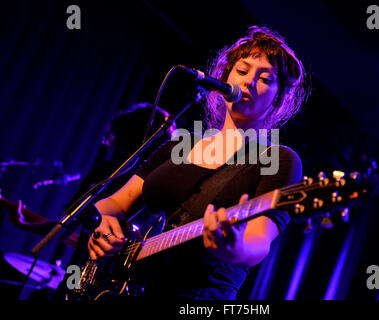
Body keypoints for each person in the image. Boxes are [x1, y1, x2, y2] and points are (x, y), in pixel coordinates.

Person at [87, 25, 310, 300]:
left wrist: (233, 248)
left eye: (265, 78)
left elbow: (258, 242)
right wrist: (104, 224)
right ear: (224, 78)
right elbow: (114, 203)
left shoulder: (278, 159)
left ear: (278, 99)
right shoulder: (179, 145)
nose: (248, 82)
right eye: (241, 71)